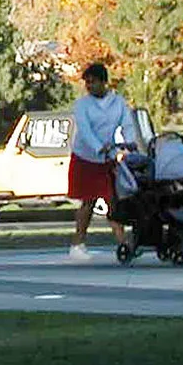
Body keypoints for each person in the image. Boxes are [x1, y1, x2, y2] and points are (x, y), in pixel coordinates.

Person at [65, 63, 133, 259]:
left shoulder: (117, 103)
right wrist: (98, 147)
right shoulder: (82, 105)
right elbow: (85, 130)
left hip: (107, 159)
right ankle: (78, 244)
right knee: (88, 202)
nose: (89, 86)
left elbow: (127, 124)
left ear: (104, 82)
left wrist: (130, 144)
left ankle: (123, 244)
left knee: (112, 200)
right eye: (87, 82)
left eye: (93, 82)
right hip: (85, 158)